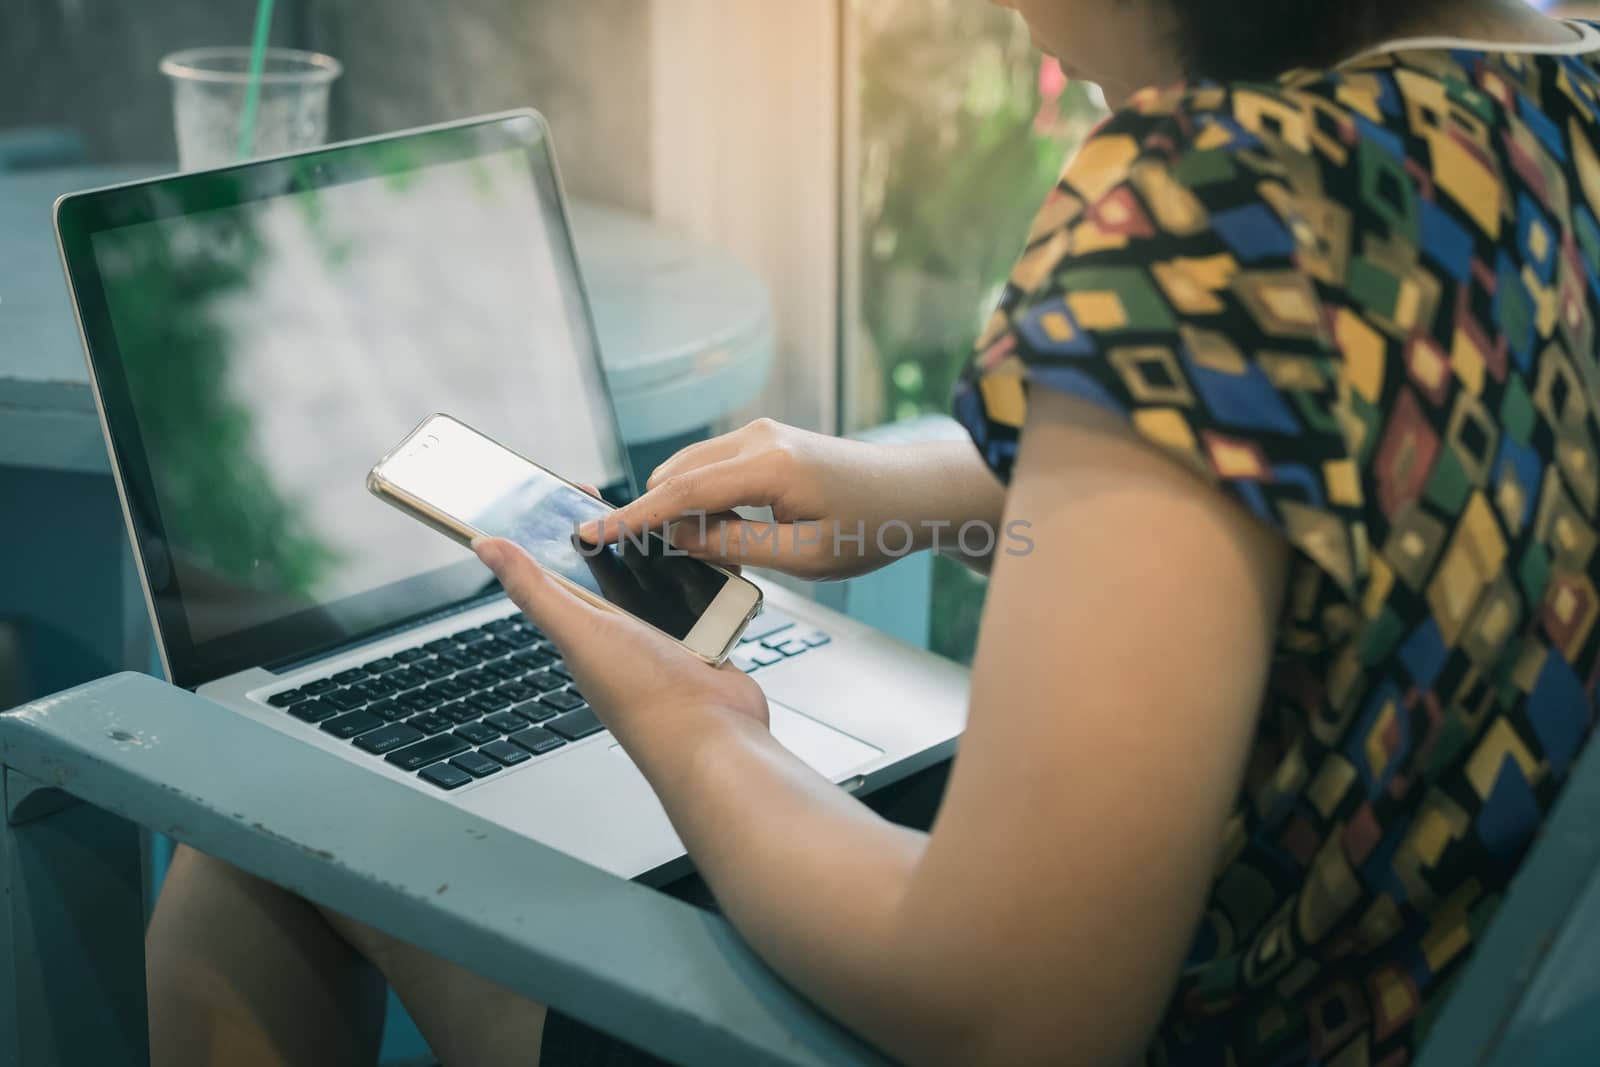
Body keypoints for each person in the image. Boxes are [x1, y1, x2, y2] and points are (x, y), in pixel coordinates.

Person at [147, 0, 1600, 1063]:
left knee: (268, 808)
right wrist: (923, 486)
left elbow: (1012, 1012)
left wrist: (700, 731)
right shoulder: (1553, 109)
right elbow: (1390, 458)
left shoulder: (1223, 197)